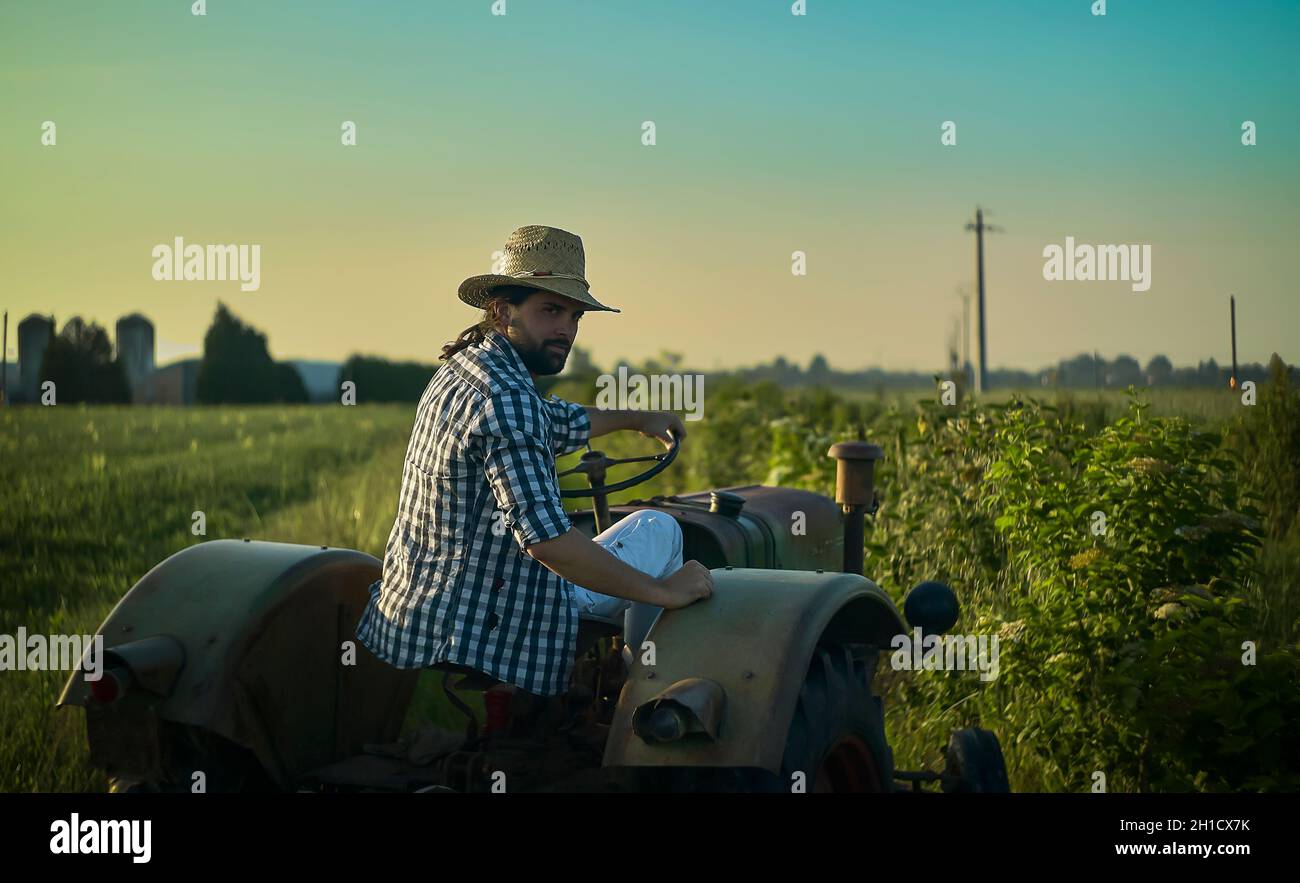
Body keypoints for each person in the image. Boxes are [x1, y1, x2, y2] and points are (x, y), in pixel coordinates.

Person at [355, 224, 713, 697]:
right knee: (660, 529)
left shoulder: (465, 369)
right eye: (550, 310)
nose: (566, 329)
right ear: (503, 311)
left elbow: (552, 420)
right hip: (488, 620)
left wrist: (637, 417)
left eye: (574, 315)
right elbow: (548, 543)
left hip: (424, 606)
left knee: (635, 534)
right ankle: (633, 698)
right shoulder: (507, 398)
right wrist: (667, 592)